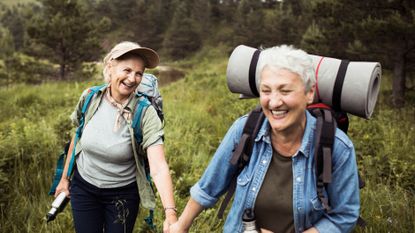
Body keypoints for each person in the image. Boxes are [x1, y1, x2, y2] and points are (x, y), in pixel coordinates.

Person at [170, 45, 360, 233]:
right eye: (266, 91)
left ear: (309, 93)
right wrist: (180, 226)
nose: (275, 102)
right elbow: (208, 187)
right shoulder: (245, 130)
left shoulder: (336, 147)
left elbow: (344, 214)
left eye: (285, 91)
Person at [54, 41, 177, 233]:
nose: (132, 78)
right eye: (126, 70)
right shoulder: (89, 98)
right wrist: (64, 179)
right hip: (84, 188)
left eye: (139, 73)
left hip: (123, 195)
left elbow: (159, 167)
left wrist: (171, 214)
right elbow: (77, 137)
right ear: (110, 67)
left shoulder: (145, 113)